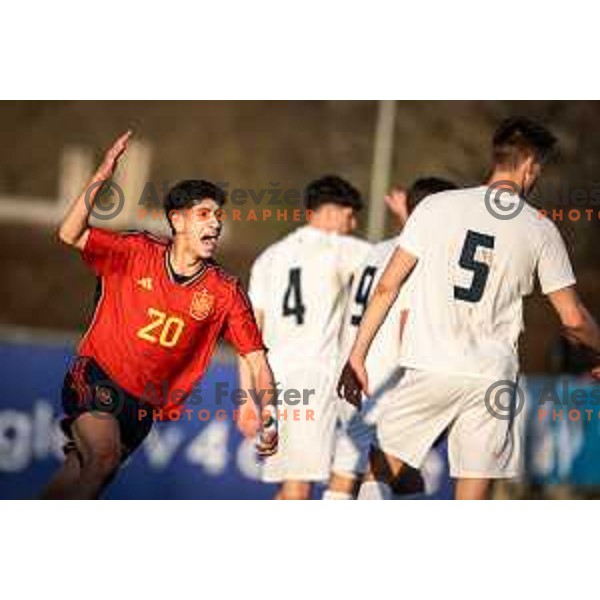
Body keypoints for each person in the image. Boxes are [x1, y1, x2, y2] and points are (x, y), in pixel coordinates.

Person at [338, 116, 600, 500]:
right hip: (491, 380)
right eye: (539, 167)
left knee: (379, 476)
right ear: (529, 165)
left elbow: (387, 287)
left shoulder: (435, 207)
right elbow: (574, 320)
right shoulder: (541, 229)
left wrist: (357, 355)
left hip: (432, 366)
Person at [42, 131, 277, 499]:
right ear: (178, 221)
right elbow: (70, 233)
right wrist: (101, 177)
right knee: (102, 458)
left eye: (218, 216)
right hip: (96, 374)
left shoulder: (224, 291)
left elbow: (257, 360)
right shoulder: (136, 251)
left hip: (143, 407)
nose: (215, 224)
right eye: (204, 214)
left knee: (80, 478)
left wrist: (269, 413)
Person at [239, 175, 371, 499]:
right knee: (299, 485)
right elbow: (396, 258)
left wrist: (246, 397)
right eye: (350, 215)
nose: (353, 224)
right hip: (312, 378)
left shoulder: (269, 257)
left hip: (272, 380)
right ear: (329, 213)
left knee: (291, 484)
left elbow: (248, 333)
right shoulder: (341, 248)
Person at [325, 178, 458, 500]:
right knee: (386, 471)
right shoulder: (426, 258)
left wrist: (408, 217)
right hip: (389, 384)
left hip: (352, 376)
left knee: (358, 475)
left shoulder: (377, 250)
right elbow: (406, 320)